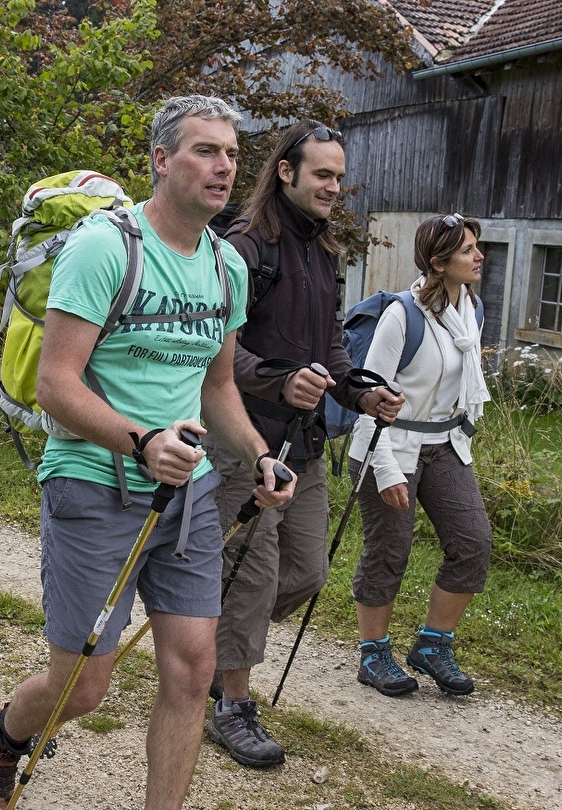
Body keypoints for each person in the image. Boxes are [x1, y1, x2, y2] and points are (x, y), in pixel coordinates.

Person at [0, 96, 295, 810]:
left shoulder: (225, 265)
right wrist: (142, 442)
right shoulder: (103, 247)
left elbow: (215, 386)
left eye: (232, 154)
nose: (223, 166)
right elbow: (55, 384)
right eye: (205, 151)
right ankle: (1, 732)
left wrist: (259, 453)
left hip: (190, 496)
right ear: (160, 161)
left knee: (191, 668)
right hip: (92, 483)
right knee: (81, 687)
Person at [203, 121, 403, 767]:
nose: (332, 187)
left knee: (306, 574)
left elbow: (330, 349)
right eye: (322, 174)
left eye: (338, 176)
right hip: (242, 442)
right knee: (252, 578)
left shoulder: (322, 252)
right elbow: (213, 357)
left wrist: (361, 392)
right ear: (285, 172)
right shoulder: (243, 248)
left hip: (304, 444)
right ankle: (232, 704)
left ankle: (208, 651)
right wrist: (277, 381)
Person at [348, 213, 492, 698]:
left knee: (472, 542)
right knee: (390, 549)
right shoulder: (401, 316)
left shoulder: (470, 311)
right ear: (438, 262)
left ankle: (433, 644)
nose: (479, 256)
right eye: (468, 249)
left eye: (477, 246)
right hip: (388, 444)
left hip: (444, 444)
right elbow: (369, 396)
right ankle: (375, 654)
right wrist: (385, 468)